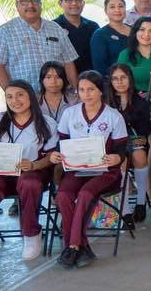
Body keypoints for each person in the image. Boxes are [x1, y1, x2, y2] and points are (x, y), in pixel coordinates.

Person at [0, 80, 56, 262]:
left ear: (31, 97)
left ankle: (31, 234)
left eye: (20, 95)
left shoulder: (47, 123)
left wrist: (34, 165)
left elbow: (52, 157)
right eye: (9, 97)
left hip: (32, 171)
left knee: (29, 183)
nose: (15, 101)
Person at [50, 70, 128, 269]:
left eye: (91, 89)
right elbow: (61, 143)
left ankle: (72, 246)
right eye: (82, 90)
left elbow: (122, 149)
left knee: (85, 194)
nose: (86, 94)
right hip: (76, 170)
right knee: (63, 195)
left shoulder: (113, 116)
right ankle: (81, 246)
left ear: (101, 91)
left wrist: (116, 157)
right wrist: (57, 154)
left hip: (106, 171)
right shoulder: (70, 113)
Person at [0, 0, 79, 91]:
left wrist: (76, 91)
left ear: (40, 4)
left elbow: (68, 62)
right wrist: (12, 93)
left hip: (58, 96)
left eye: (35, 0)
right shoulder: (5, 31)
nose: (30, 5)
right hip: (24, 97)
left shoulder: (56, 28)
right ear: (16, 5)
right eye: (24, 1)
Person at [106, 63, 151, 223]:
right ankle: (125, 210)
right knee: (122, 161)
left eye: (123, 77)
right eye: (115, 78)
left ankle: (141, 202)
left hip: (134, 140)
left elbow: (143, 132)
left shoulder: (141, 102)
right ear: (110, 81)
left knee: (139, 155)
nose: (119, 82)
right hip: (112, 143)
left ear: (130, 79)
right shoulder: (106, 102)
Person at [53, 0, 99, 69]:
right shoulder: (53, 27)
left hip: (91, 75)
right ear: (60, 3)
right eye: (69, 0)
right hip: (63, 75)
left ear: (83, 3)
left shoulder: (93, 27)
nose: (74, 3)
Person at [89, 0, 132, 77]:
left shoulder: (136, 31)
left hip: (140, 78)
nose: (117, 10)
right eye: (112, 7)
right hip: (115, 81)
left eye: (120, 6)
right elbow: (99, 67)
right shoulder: (100, 35)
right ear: (105, 11)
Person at [37, 60, 76, 127]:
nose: (53, 81)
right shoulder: (34, 101)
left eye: (58, 77)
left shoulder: (75, 99)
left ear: (64, 80)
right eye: (48, 77)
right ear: (42, 80)